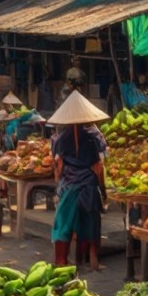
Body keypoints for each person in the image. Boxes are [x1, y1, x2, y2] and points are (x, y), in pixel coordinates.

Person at [46, 92, 110, 271]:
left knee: (63, 224)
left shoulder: (59, 139)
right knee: (90, 224)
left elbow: (58, 168)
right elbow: (99, 167)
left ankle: (61, 260)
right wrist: (103, 191)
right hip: (88, 187)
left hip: (69, 187)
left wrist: (59, 181)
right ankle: (91, 260)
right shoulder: (93, 138)